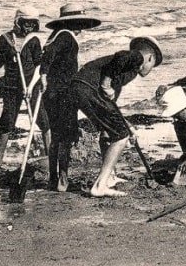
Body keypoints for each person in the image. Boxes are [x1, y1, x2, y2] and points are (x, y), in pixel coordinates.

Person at [69, 36, 163, 197]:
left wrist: (129, 126)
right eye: (153, 65)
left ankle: (109, 177)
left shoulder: (122, 70)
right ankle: (100, 186)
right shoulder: (137, 58)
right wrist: (106, 83)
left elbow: (111, 110)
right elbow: (122, 55)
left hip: (79, 88)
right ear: (150, 57)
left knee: (109, 131)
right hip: (88, 88)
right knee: (121, 136)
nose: (150, 69)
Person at [40, 3, 102, 192]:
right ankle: (63, 177)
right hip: (63, 93)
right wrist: (43, 75)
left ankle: (53, 177)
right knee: (65, 136)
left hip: (51, 94)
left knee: (56, 135)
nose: (82, 28)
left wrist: (44, 77)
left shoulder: (55, 36)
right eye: (80, 23)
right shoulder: (66, 36)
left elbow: (48, 56)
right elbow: (49, 56)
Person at [0, 7, 48, 166]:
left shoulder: (34, 40)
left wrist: (30, 88)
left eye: (32, 24)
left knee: (43, 120)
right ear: (18, 22)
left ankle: (50, 157)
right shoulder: (5, 39)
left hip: (32, 85)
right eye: (26, 23)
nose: (29, 27)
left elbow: (39, 66)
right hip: (11, 87)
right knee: (7, 122)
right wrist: (8, 53)